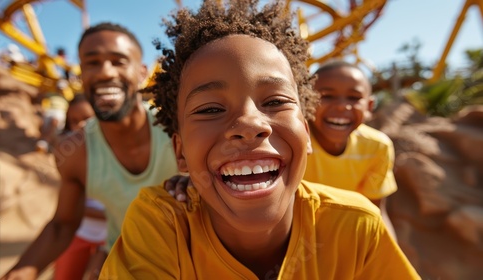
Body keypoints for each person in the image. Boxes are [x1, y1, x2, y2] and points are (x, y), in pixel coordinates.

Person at [99, 1, 420, 279]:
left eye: (275, 102)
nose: (249, 124)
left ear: (306, 135)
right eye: (211, 108)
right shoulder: (161, 223)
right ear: (180, 154)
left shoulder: (357, 227)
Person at [2, 22, 181, 280]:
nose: (105, 72)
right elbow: (63, 226)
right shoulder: (74, 152)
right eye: (92, 63)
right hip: (126, 260)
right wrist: (20, 272)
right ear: (81, 74)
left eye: (118, 61)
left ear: (142, 72)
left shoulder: (177, 128)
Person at [304, 60, 398, 240]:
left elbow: (376, 212)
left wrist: (391, 260)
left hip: (345, 236)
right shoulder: (295, 141)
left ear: (369, 107)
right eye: (327, 96)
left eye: (354, 98)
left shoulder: (377, 147)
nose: (341, 106)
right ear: (306, 100)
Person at [51, 93, 107, 280]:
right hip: (79, 234)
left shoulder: (125, 154)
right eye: (74, 121)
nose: (80, 125)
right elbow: (68, 209)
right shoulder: (71, 159)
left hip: (111, 238)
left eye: (87, 118)